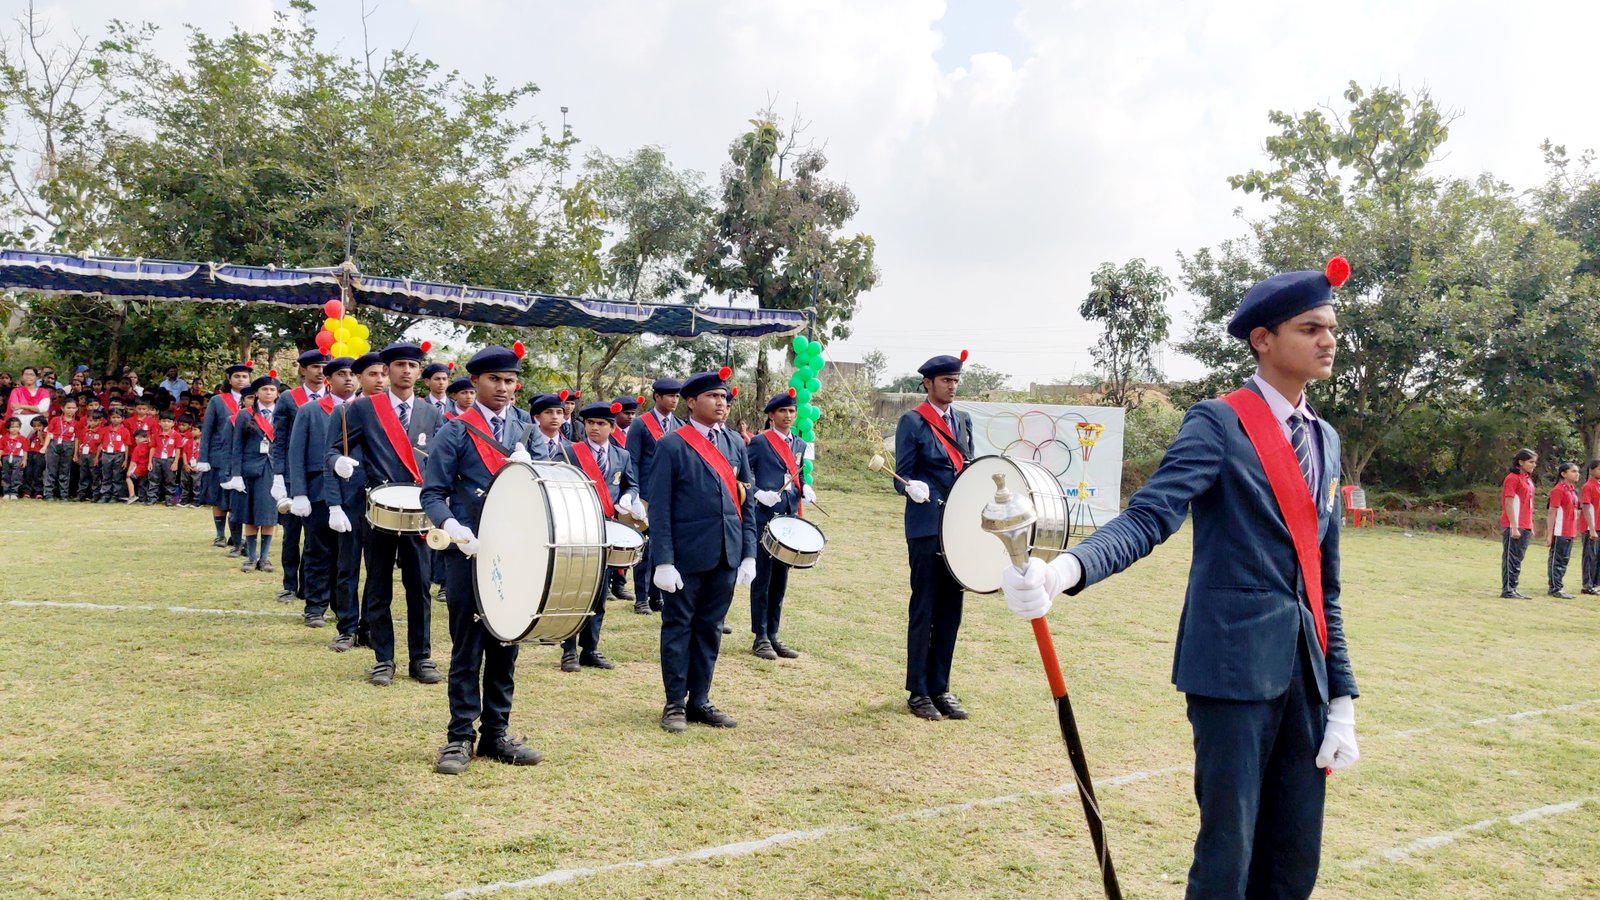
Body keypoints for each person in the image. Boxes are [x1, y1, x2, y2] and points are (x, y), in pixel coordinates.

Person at [1000, 259, 1361, 899]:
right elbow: (1149, 516)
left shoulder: (1326, 439)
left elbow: (1323, 583)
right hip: (1231, 670)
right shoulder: (1219, 422)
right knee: (1229, 854)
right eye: (1311, 327)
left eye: (1331, 327)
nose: (1329, 340)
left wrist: (1342, 701)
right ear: (1264, 340)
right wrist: (1065, 569)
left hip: (1305, 674)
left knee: (1294, 859)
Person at [421, 345, 544, 774]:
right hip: (468, 552)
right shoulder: (455, 430)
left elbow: (543, 492)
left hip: (515, 552)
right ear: (475, 383)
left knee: (506, 641)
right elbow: (431, 492)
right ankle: (459, 737)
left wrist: (534, 471)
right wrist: (451, 526)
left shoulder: (528, 430)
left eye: (510, 381)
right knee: (468, 646)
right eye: (495, 380)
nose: (504, 388)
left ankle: (496, 732)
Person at [327, 342, 443, 687]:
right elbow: (332, 450)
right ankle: (383, 658)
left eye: (412, 365)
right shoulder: (362, 409)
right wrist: (339, 463)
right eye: (399, 365)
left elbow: (438, 461)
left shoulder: (431, 413)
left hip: (419, 510)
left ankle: (421, 657)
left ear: (419, 372)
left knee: (419, 586)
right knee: (378, 586)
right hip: (378, 507)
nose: (406, 371)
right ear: (387, 370)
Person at [648, 367, 757, 733]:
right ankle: (675, 703)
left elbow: (747, 501)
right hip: (686, 555)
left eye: (724, 397)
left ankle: (700, 700)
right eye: (713, 397)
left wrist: (749, 553)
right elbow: (659, 507)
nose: (721, 403)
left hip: (726, 552)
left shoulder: (735, 444)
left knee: (710, 629)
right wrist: (663, 560)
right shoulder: (672, 444)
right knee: (679, 627)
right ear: (691, 402)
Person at [894, 352, 975, 721]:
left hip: (957, 527)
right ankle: (918, 691)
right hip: (926, 525)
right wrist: (912, 487)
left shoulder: (964, 420)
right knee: (924, 607)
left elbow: (969, 469)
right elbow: (903, 475)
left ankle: (941, 687)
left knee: (950, 610)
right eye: (945, 381)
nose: (952, 386)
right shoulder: (912, 421)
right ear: (928, 383)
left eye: (955, 380)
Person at [559, 400, 639, 673]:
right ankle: (568, 650)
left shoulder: (621, 455)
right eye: (590, 423)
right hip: (577, 527)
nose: (594, 428)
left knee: (600, 593)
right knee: (575, 590)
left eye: (601, 424)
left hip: (607, 527)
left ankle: (590, 648)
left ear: (612, 427)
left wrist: (628, 497)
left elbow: (631, 483)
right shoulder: (569, 453)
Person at [312, 353, 384, 646]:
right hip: (351, 499)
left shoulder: (394, 413)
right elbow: (329, 457)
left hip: (381, 499)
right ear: (359, 378)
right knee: (348, 567)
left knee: (377, 569)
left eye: (382, 374)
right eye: (371, 374)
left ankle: (369, 626)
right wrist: (334, 504)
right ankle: (347, 628)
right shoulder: (344, 412)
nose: (379, 380)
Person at [287, 356, 355, 631]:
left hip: (352, 492)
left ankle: (344, 607)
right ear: (329, 379)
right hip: (317, 491)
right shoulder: (311, 410)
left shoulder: (363, 410)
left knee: (347, 554)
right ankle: (315, 606)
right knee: (318, 550)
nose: (348, 378)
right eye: (341, 373)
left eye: (352, 373)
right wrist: (299, 492)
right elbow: (296, 453)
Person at [748, 390, 815, 660]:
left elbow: (799, 473)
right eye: (782, 412)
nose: (788, 416)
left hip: (789, 518)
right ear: (771, 415)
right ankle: (760, 636)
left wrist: (806, 487)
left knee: (780, 580)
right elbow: (739, 475)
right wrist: (757, 492)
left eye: (791, 411)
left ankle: (774, 634)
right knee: (762, 579)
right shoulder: (760, 442)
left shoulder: (799, 444)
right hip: (765, 517)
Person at [270, 350, 330, 604]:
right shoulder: (288, 399)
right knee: (292, 533)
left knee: (316, 535)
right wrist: (279, 475)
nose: (319, 372)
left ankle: (309, 585)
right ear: (303, 370)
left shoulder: (333, 399)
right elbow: (279, 439)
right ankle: (289, 583)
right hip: (295, 475)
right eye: (314, 367)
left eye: (323, 367)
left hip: (321, 476)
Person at [626, 378, 682, 615]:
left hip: (672, 495)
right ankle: (641, 597)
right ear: (657, 397)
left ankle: (657, 595)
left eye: (677, 396)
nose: (674, 400)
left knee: (666, 544)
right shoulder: (640, 424)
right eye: (669, 395)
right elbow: (633, 460)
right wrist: (635, 493)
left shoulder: (680, 424)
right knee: (645, 548)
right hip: (647, 494)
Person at [223, 375, 283, 572]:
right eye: (264, 389)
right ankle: (250, 556)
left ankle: (264, 558)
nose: (268, 393)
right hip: (249, 470)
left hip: (272, 469)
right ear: (256, 393)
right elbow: (236, 446)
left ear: (277, 393)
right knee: (249, 515)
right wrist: (236, 474)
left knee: (268, 515)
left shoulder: (282, 414)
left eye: (272, 390)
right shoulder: (245, 414)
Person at [199, 364, 252, 553]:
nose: (241, 380)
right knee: (219, 497)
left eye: (244, 376)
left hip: (245, 456)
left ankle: (237, 537)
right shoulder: (217, 401)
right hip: (220, 454)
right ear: (229, 379)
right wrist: (203, 458)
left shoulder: (254, 400)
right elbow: (207, 430)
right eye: (236, 376)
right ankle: (220, 534)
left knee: (238, 499)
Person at [1501, 449, 1538, 600]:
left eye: (1535, 462)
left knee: (1518, 558)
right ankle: (1508, 589)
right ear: (1521, 462)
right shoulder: (1512, 478)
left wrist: (1530, 525)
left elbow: (1527, 504)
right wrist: (1514, 526)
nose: (1534, 465)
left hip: (1525, 523)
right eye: (1531, 462)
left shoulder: (1527, 479)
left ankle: (1513, 588)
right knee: (1511, 557)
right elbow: (1509, 503)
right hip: (1514, 524)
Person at [1546, 462, 1580, 599]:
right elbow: (1552, 512)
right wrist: (1549, 534)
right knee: (1557, 560)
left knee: (1564, 560)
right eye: (1573, 471)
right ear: (1563, 474)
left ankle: (1558, 585)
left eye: (1577, 471)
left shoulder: (1572, 490)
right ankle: (1555, 587)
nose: (1576, 474)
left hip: (1569, 530)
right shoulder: (1558, 490)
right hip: (1560, 531)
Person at [44, 398, 80, 500]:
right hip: (54, 444)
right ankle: (49, 494)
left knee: (65, 470)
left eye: (73, 408)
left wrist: (75, 453)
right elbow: (49, 433)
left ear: (77, 409)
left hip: (69, 445)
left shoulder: (76, 423)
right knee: (51, 469)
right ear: (62, 408)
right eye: (68, 408)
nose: (71, 410)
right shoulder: (55, 420)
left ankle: (64, 494)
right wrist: (44, 446)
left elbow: (77, 438)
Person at [97, 408, 132, 504]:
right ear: (109, 418)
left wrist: (125, 459)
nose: (115, 419)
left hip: (119, 454)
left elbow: (126, 445)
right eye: (113, 417)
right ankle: (105, 494)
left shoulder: (125, 431)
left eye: (118, 417)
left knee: (117, 475)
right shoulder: (105, 430)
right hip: (106, 454)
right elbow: (100, 444)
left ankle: (115, 495)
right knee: (106, 475)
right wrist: (97, 457)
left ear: (122, 418)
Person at [527, 394, 573, 462]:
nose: (555, 417)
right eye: (548, 412)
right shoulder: (527, 445)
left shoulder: (572, 448)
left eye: (559, 412)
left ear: (563, 416)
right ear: (537, 417)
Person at [148, 412, 180, 505]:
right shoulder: (155, 435)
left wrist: (176, 462)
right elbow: (152, 448)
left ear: (173, 423)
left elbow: (178, 449)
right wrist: (150, 461)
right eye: (164, 421)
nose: (166, 423)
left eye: (169, 421)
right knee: (154, 479)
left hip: (170, 459)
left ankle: (169, 499)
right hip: (156, 459)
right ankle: (152, 498)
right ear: (159, 422)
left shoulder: (176, 435)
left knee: (170, 480)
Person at [5, 366, 50, 431]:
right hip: (19, 425)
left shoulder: (43, 391)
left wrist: (21, 406)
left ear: (36, 377)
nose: (28, 377)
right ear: (22, 377)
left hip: (39, 425)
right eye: (26, 374)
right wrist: (38, 411)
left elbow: (43, 408)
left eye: (31, 375)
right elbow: (15, 409)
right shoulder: (16, 391)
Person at [1583, 459, 1600, 596]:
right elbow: (1586, 507)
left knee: (1598, 557)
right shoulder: (1588, 486)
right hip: (1592, 527)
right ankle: (1587, 585)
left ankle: (1595, 584)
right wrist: (1591, 528)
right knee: (1590, 557)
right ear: (1592, 470)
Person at [22, 415, 47, 498]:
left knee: (38, 474)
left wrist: (40, 436)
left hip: (39, 454)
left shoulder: (45, 434)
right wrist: (30, 435)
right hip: (30, 453)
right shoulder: (32, 434)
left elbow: (45, 445)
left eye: (39, 426)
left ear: (43, 426)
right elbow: (26, 443)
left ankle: (38, 492)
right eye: (34, 426)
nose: (36, 428)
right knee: (28, 473)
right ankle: (27, 491)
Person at [0, 418, 23, 499]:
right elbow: (1, 449)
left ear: (20, 427)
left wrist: (24, 460)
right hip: (6, 458)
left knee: (16, 476)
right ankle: (6, 493)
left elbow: (25, 451)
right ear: (8, 428)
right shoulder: (3, 438)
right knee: (5, 475)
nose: (15, 429)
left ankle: (14, 493)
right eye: (12, 427)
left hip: (18, 458)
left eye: (17, 426)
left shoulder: (22, 438)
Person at [127, 429, 152, 504]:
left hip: (139, 468)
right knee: (143, 483)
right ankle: (143, 498)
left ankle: (132, 495)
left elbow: (133, 461)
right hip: (147, 468)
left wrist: (129, 471)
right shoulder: (150, 446)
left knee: (129, 478)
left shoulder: (138, 448)